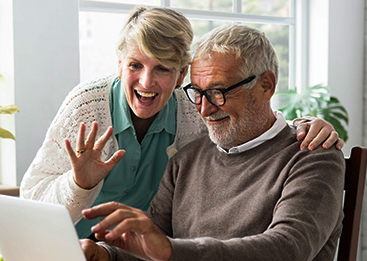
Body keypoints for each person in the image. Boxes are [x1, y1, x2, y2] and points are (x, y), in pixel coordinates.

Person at [79, 24, 345, 261]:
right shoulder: (188, 158)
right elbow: (148, 252)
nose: (204, 109)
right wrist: (107, 256)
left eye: (218, 92)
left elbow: (287, 252)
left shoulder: (312, 155)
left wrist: (170, 250)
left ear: (266, 85)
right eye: (197, 92)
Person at [20, 6, 342, 239]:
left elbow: (249, 115)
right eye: (135, 65)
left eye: (162, 68)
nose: (146, 82)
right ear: (119, 66)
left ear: (181, 74)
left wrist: (305, 124)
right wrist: (79, 185)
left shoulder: (195, 109)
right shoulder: (86, 107)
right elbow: (30, 205)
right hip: (67, 253)